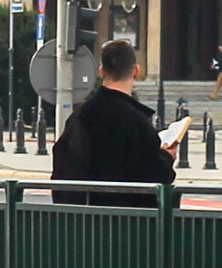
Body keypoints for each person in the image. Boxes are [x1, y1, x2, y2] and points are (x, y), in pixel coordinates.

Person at [51, 39, 177, 207]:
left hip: (84, 220)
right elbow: (151, 179)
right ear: (136, 72)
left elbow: (64, 165)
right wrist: (166, 158)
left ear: (102, 72)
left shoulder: (81, 115)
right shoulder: (138, 121)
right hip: (127, 224)